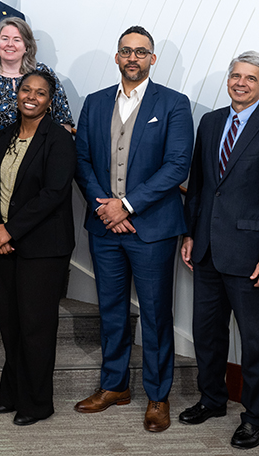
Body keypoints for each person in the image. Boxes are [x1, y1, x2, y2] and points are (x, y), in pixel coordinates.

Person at [74, 26, 193, 433]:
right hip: (104, 228)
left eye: (141, 52)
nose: (133, 58)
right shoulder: (94, 102)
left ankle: (158, 396)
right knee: (111, 311)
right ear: (117, 57)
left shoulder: (175, 104)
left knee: (157, 316)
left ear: (152, 59)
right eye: (126, 51)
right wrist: (104, 208)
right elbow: (83, 161)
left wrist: (126, 205)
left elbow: (177, 165)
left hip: (152, 229)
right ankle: (115, 387)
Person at [179, 51, 259, 450]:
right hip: (208, 252)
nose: (241, 82)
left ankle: (256, 417)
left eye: (250, 78)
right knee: (207, 335)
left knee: (255, 340)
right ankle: (213, 400)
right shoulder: (211, 123)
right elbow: (198, 187)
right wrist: (191, 235)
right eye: (235, 75)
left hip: (252, 257)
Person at [0, 70, 76, 426]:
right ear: (17, 94)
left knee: (35, 326)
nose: (31, 96)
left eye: (40, 92)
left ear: (50, 101)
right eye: (26, 90)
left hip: (42, 247)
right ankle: (13, 392)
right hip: (4, 243)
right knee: (10, 323)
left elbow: (53, 194)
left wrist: (11, 231)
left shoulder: (59, 139)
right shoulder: (4, 135)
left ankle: (38, 403)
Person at [0, 16, 74, 298]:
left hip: (36, 175)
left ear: (27, 46)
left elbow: (63, 122)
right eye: (4, 38)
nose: (10, 44)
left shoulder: (43, 76)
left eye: (17, 39)